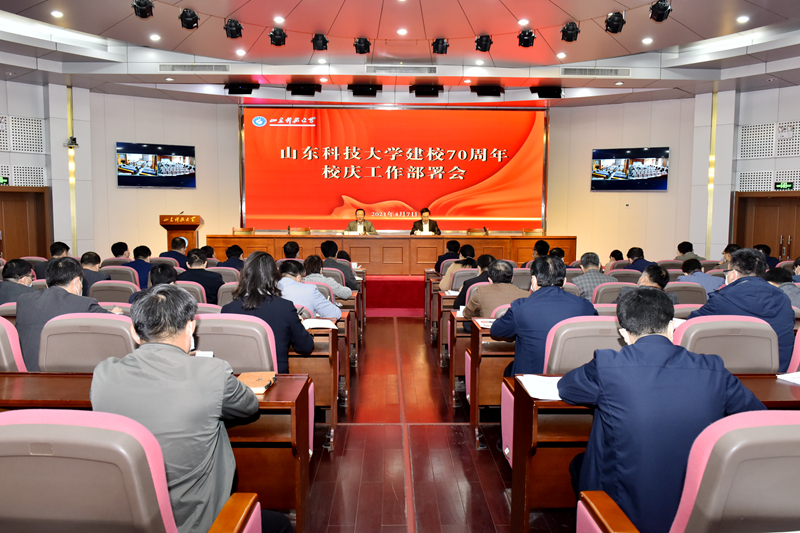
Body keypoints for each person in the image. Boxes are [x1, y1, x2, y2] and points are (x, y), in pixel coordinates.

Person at [558, 289, 765, 533]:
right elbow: (757, 417)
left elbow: (567, 388)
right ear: (672, 327)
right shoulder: (713, 368)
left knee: (580, 462)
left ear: (623, 333)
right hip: (699, 506)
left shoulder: (607, 365)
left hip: (623, 511)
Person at [90, 284, 293, 533]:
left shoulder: (104, 373)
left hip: (128, 519)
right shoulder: (212, 372)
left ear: (134, 332)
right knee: (281, 525)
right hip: (197, 522)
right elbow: (248, 406)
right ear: (190, 327)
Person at [689, 248, 795, 372]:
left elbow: (691, 325)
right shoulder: (784, 299)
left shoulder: (721, 300)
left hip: (729, 376)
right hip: (776, 374)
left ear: (734, 274)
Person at [490, 256, 597, 375]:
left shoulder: (521, 307)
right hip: (574, 378)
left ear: (533, 280)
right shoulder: (586, 306)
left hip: (531, 380)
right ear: (564, 281)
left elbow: (496, 331)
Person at [16, 257, 120, 371]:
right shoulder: (84, 304)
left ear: (47, 284)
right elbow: (113, 323)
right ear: (76, 282)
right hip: (63, 375)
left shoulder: (24, 301)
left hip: (24, 374)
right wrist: (114, 313)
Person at [221, 252, 314, 373]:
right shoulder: (285, 308)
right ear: (274, 276)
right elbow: (305, 346)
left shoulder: (227, 310)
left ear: (244, 275)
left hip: (238, 380)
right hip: (276, 379)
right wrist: (298, 324)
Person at [463, 260, 529, 320]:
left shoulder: (481, 292)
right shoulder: (527, 295)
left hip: (489, 329)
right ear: (512, 279)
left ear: (490, 280)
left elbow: (467, 314)